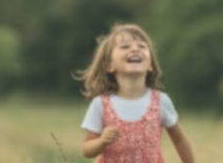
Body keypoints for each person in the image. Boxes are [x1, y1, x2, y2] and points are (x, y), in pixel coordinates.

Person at [76, 22, 196, 163]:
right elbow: (86, 149)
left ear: (150, 64)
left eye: (142, 46)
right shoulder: (101, 104)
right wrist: (102, 141)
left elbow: (180, 141)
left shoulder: (161, 102)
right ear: (109, 65)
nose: (135, 49)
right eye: (125, 46)